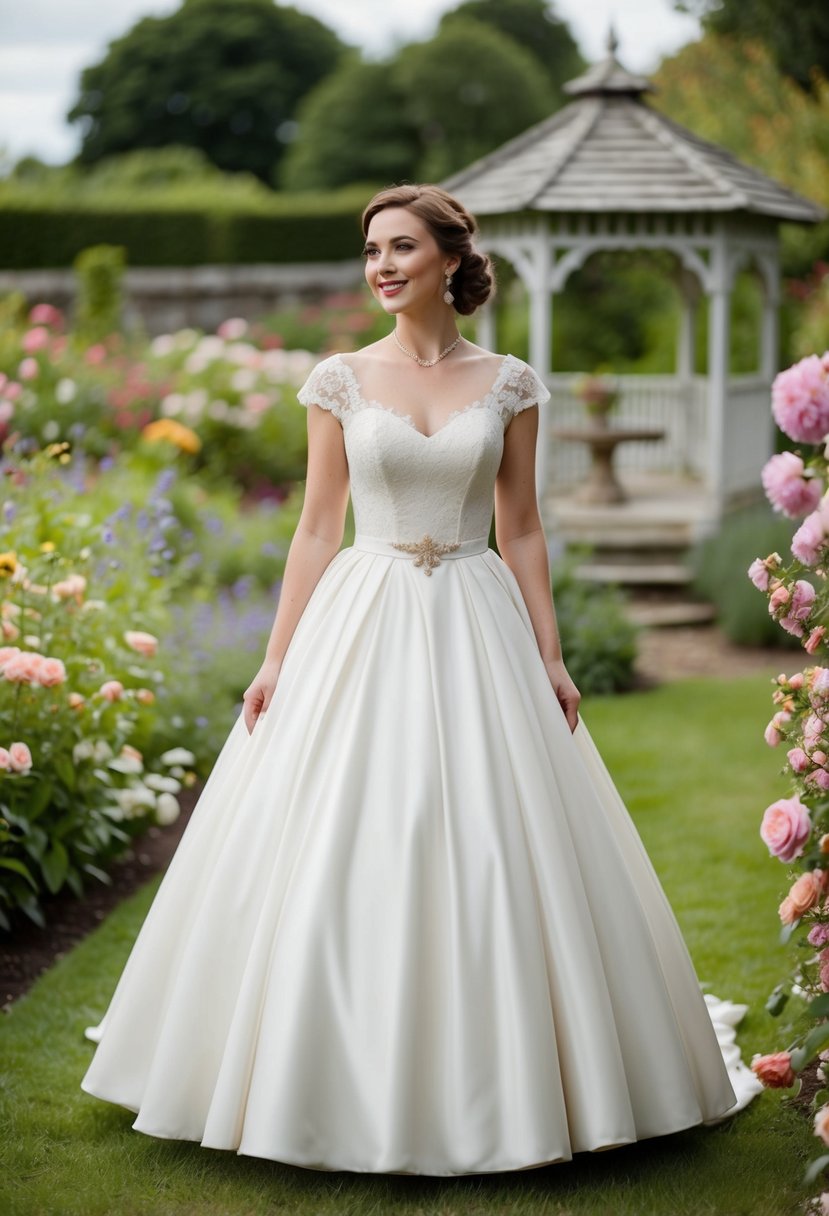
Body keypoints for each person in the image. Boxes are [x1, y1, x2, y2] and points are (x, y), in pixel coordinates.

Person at [81, 183, 751, 1177]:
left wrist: (551, 655)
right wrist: (275, 657)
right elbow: (316, 526)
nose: (381, 265)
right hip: (365, 612)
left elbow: (522, 525)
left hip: (476, 615)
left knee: (491, 837)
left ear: (449, 258)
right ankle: (319, 1078)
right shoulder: (339, 379)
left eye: (400, 246)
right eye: (369, 251)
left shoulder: (511, 382)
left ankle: (509, 1077)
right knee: (347, 828)